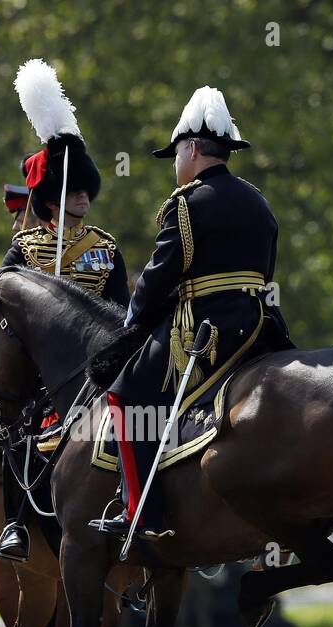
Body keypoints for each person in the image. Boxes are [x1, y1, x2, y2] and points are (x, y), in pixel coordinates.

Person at [90, 86, 291, 540]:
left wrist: (131, 325)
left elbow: (157, 281)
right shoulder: (258, 200)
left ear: (194, 149)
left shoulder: (186, 203)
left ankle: (143, 511)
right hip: (260, 325)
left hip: (203, 328)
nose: (175, 166)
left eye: (176, 154)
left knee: (125, 398)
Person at [0, 137, 129, 562]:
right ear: (52, 201)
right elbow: (2, 303)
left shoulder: (105, 250)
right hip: (40, 368)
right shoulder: (27, 248)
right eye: (74, 191)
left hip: (99, 364)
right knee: (19, 424)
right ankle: (15, 521)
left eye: (86, 190)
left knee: (139, 421)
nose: (84, 196)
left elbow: (124, 310)